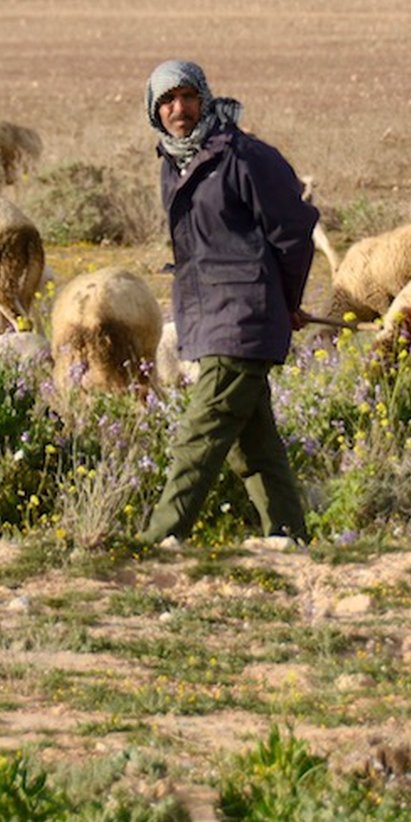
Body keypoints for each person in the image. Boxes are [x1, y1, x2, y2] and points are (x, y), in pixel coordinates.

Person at [138, 60, 319, 547]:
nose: (179, 108)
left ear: (205, 97)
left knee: (201, 430)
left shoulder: (245, 156)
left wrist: (286, 299)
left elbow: (294, 232)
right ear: (155, 111)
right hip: (212, 312)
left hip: (242, 313)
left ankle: (162, 536)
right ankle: (287, 535)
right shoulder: (173, 163)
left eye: (188, 96)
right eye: (167, 100)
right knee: (252, 439)